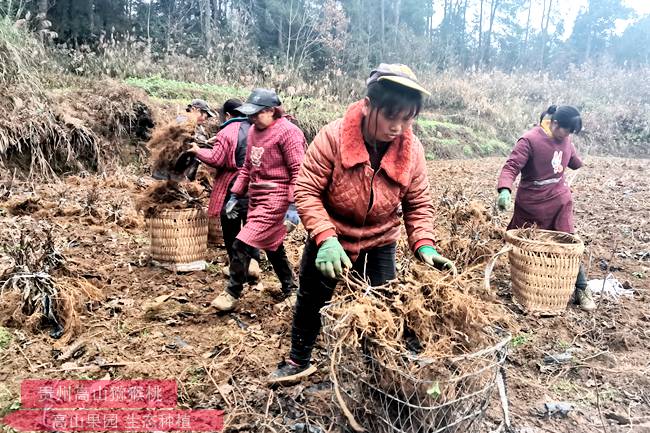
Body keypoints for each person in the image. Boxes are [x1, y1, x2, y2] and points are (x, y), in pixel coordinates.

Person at [269, 64, 455, 383]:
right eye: (391, 116)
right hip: (332, 234)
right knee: (312, 297)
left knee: (383, 300)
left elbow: (418, 202)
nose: (398, 126)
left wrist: (424, 244)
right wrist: (325, 238)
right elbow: (306, 189)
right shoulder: (333, 137)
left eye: (407, 118)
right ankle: (299, 359)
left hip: (380, 239)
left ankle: (379, 363)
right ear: (369, 106)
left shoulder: (413, 152)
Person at [210, 88, 305, 312]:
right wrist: (235, 194)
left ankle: (232, 292)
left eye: (256, 113)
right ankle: (291, 290)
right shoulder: (253, 131)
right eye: (249, 114)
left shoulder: (289, 133)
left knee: (242, 242)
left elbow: (298, 171)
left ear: (272, 111)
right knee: (273, 247)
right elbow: (246, 168)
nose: (251, 118)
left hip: (278, 198)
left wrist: (293, 207)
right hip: (257, 197)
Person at [496, 105, 595, 311]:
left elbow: (573, 161)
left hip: (559, 202)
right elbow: (511, 166)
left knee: (567, 243)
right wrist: (504, 189)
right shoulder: (529, 140)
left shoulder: (566, 138)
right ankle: (532, 288)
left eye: (571, 132)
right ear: (555, 123)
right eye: (566, 130)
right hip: (531, 205)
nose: (567, 135)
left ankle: (581, 288)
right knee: (529, 247)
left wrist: (579, 163)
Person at [187, 99, 261, 288]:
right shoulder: (253, 128)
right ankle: (254, 262)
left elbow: (217, 159)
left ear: (227, 115)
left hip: (235, 186)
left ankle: (237, 270)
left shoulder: (227, 130)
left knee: (231, 228)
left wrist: (197, 151)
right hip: (256, 185)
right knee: (252, 225)